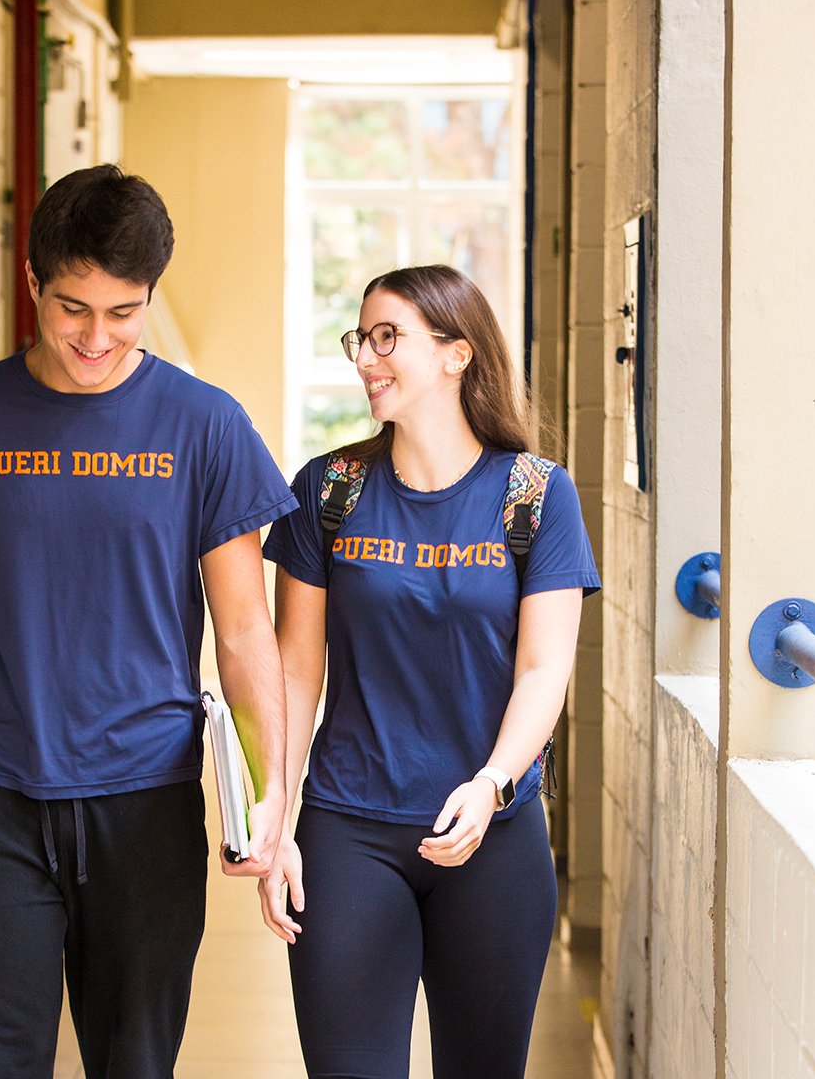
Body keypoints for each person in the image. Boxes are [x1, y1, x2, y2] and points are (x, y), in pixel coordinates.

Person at [0, 163, 296, 1078]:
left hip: (145, 797)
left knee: (136, 1062)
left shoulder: (206, 427)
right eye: (74, 307)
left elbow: (243, 632)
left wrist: (269, 796)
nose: (96, 337)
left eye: (124, 313)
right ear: (32, 281)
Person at [260, 264, 601, 1078]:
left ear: (457, 354)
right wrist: (274, 817)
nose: (366, 358)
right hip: (347, 831)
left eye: (389, 338)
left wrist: (492, 784)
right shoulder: (330, 491)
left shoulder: (536, 496)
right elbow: (293, 673)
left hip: (491, 838)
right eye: (361, 339)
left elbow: (545, 670)